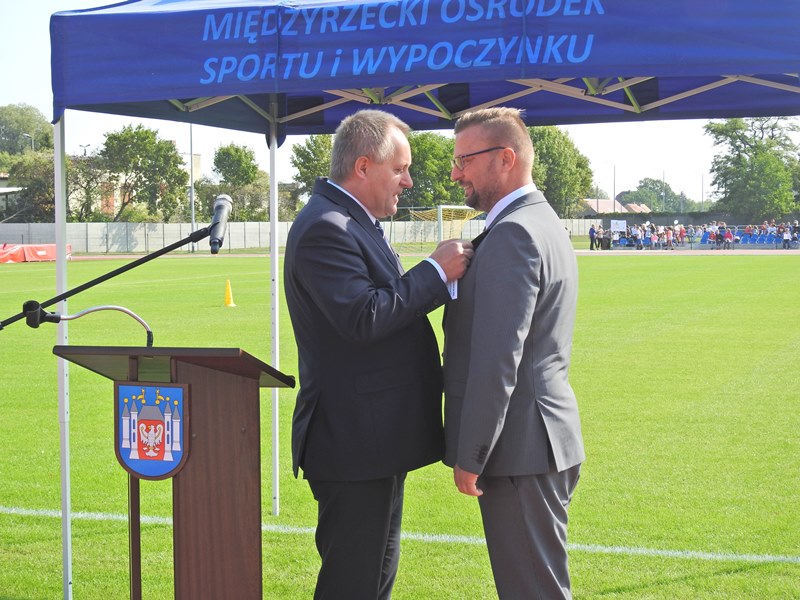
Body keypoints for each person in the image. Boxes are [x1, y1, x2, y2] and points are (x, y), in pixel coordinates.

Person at [283, 109, 473, 600]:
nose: (407, 181)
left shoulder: (351, 221)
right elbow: (363, 317)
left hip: (372, 439)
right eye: (400, 169)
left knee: (373, 577)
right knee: (354, 583)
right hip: (352, 442)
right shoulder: (328, 227)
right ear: (363, 167)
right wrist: (435, 271)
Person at [442, 107, 585, 599]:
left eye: (465, 160)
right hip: (538, 441)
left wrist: (472, 452)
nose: (456, 173)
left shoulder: (515, 233)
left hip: (520, 448)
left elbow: (498, 359)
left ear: (505, 158)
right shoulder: (537, 221)